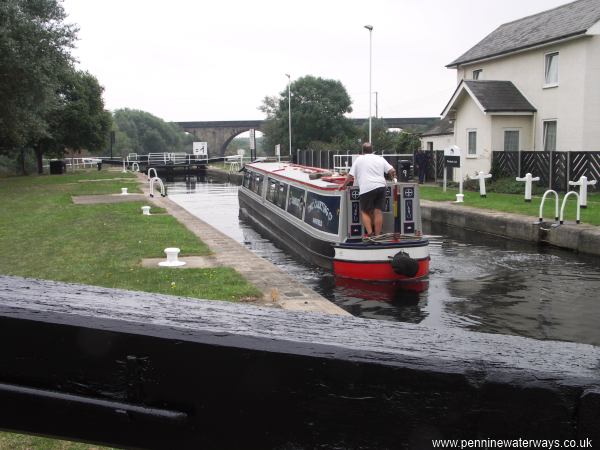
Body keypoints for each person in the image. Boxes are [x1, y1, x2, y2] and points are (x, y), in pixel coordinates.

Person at [339, 142, 396, 237]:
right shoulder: (380, 158)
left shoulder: (359, 160)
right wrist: (394, 178)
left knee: (364, 211)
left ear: (362, 151)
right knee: (378, 211)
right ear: (372, 150)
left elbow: (350, 175)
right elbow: (392, 170)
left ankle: (370, 234)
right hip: (381, 186)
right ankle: (378, 235)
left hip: (367, 187)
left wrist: (344, 185)